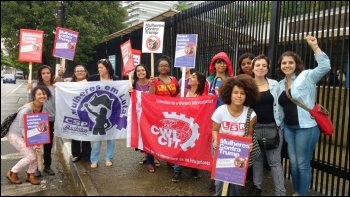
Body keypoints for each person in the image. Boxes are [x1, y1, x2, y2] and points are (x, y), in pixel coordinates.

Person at [277, 35, 331, 196]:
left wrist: (315, 47)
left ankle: (302, 193)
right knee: (293, 163)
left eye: (290, 62)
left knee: (302, 164)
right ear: (280, 66)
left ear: (296, 64)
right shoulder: (279, 85)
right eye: (284, 63)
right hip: (288, 128)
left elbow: (325, 66)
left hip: (306, 128)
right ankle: (297, 191)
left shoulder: (306, 76)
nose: (287, 65)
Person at [211, 74, 260, 196]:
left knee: (235, 185)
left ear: (247, 95)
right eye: (235, 92)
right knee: (219, 184)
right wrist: (216, 140)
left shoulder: (251, 114)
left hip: (239, 153)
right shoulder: (220, 110)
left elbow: (249, 135)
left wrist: (249, 144)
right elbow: (214, 130)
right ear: (229, 94)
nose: (238, 96)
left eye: (242, 93)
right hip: (221, 150)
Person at [250, 55, 286, 196]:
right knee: (257, 160)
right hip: (254, 128)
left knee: (274, 162)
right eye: (258, 65)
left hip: (273, 127)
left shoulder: (275, 84)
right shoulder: (248, 85)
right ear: (253, 68)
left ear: (268, 68)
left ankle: (280, 192)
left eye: (264, 65)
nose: (261, 68)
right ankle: (257, 187)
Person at [6, 85, 52, 185]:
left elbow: (40, 123)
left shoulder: (42, 106)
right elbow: (23, 129)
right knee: (31, 156)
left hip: (31, 133)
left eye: (44, 94)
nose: (42, 96)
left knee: (40, 152)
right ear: (34, 96)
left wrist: (40, 141)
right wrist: (35, 144)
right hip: (16, 135)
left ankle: (30, 174)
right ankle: (12, 172)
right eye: (39, 94)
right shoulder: (26, 110)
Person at [171, 71, 207, 182]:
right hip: (182, 126)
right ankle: (177, 170)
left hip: (196, 127)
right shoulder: (182, 93)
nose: (190, 78)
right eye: (191, 76)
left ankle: (194, 167)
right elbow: (173, 107)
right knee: (180, 147)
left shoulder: (203, 97)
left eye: (193, 76)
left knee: (195, 148)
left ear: (199, 81)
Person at [207, 51, 234, 190]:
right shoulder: (208, 81)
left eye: (223, 62)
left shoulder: (232, 80)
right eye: (218, 62)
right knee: (215, 147)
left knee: (227, 147)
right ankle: (215, 178)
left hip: (228, 118)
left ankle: (226, 177)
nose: (221, 64)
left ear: (227, 64)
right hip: (212, 119)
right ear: (214, 64)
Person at [149, 55, 179, 168]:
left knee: (171, 136)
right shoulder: (154, 80)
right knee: (158, 135)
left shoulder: (174, 79)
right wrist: (151, 85)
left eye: (166, 65)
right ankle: (156, 156)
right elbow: (151, 96)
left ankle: (169, 157)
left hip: (172, 113)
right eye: (161, 65)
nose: (163, 67)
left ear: (169, 68)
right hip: (158, 112)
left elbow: (177, 95)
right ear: (157, 68)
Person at [87, 59, 118, 168]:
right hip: (97, 113)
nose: (99, 69)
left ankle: (109, 158)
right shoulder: (94, 78)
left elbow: (121, 93)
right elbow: (82, 85)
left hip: (112, 113)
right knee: (96, 139)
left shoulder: (115, 79)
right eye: (98, 67)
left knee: (111, 137)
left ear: (107, 68)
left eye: (101, 67)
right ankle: (94, 160)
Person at [28, 65, 56, 177]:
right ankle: (36, 168)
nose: (46, 75)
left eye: (48, 73)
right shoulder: (35, 86)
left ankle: (47, 166)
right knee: (37, 145)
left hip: (51, 119)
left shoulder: (55, 87)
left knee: (48, 145)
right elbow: (29, 102)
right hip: (38, 119)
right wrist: (29, 90)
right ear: (41, 75)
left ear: (51, 74)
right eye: (43, 73)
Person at [129, 64, 157, 173]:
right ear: (135, 73)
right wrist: (130, 92)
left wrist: (153, 86)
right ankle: (148, 157)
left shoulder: (152, 81)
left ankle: (151, 161)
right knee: (143, 137)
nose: (141, 72)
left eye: (143, 70)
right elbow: (132, 100)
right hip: (139, 114)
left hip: (151, 114)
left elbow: (152, 96)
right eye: (138, 71)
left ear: (146, 71)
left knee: (151, 136)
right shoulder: (133, 84)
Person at [70, 65, 92, 163]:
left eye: (82, 71)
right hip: (74, 112)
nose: (80, 72)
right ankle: (76, 154)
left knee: (86, 134)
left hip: (87, 112)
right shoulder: (69, 85)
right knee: (75, 133)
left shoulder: (91, 83)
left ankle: (87, 154)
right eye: (77, 71)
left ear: (86, 72)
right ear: (74, 73)